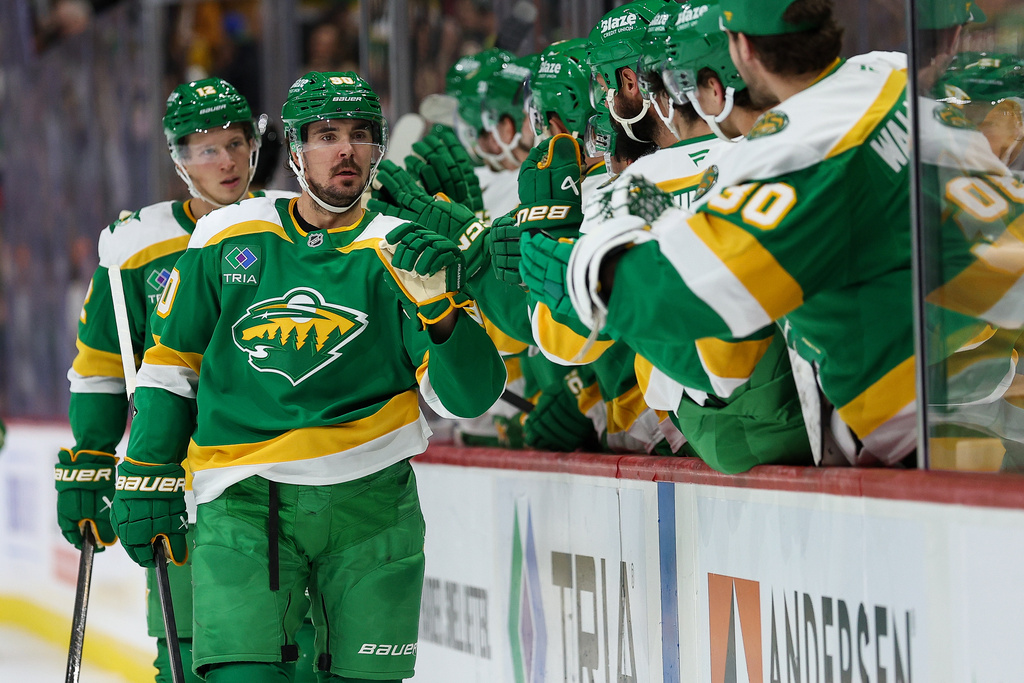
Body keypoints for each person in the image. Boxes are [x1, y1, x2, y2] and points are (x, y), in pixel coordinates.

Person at [108, 71, 504, 682]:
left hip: (373, 505)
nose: (345, 150)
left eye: (360, 135)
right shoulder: (229, 234)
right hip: (243, 500)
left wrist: (444, 314)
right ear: (295, 151)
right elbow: (172, 363)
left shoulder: (404, 249)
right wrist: (146, 467)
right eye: (326, 135)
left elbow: (467, 399)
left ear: (377, 151)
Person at [524, 0, 928, 466]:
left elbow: (717, 364)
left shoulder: (771, 159)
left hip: (900, 417)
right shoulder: (889, 71)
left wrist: (590, 280)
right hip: (979, 351)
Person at [55, 77, 292, 682]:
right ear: (180, 159)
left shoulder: (290, 225)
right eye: (208, 149)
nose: (227, 161)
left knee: (293, 650)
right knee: (186, 654)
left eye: (236, 144)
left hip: (281, 473)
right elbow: (103, 363)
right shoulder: (137, 245)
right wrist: (91, 455)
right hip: (178, 481)